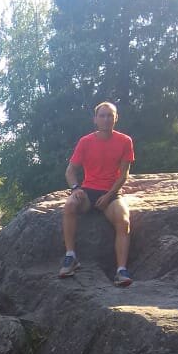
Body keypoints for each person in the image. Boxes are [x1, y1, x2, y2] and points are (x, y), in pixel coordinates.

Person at [58, 101, 134, 287]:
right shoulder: (85, 142)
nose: (106, 119)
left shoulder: (125, 141)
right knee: (69, 205)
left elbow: (124, 175)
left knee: (124, 221)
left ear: (116, 118)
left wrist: (108, 196)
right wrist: (76, 189)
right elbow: (70, 171)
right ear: (95, 119)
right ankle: (71, 257)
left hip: (111, 193)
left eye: (110, 115)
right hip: (88, 190)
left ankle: (121, 270)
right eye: (102, 115)